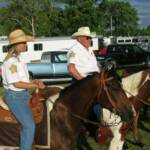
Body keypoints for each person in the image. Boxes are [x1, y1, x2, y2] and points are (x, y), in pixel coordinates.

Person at [1, 29, 45, 150]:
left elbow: (24, 81)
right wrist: (35, 86)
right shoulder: (10, 62)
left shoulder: (19, 60)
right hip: (15, 97)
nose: (26, 45)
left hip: (24, 95)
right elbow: (16, 84)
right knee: (29, 125)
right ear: (15, 45)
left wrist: (34, 82)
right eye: (23, 43)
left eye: (26, 42)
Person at [67, 26, 101, 121]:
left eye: (90, 38)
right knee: (95, 103)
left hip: (94, 80)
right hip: (81, 82)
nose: (90, 40)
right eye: (88, 37)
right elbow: (71, 69)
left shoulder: (89, 49)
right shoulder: (74, 50)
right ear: (79, 38)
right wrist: (85, 82)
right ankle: (98, 124)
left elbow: (96, 66)